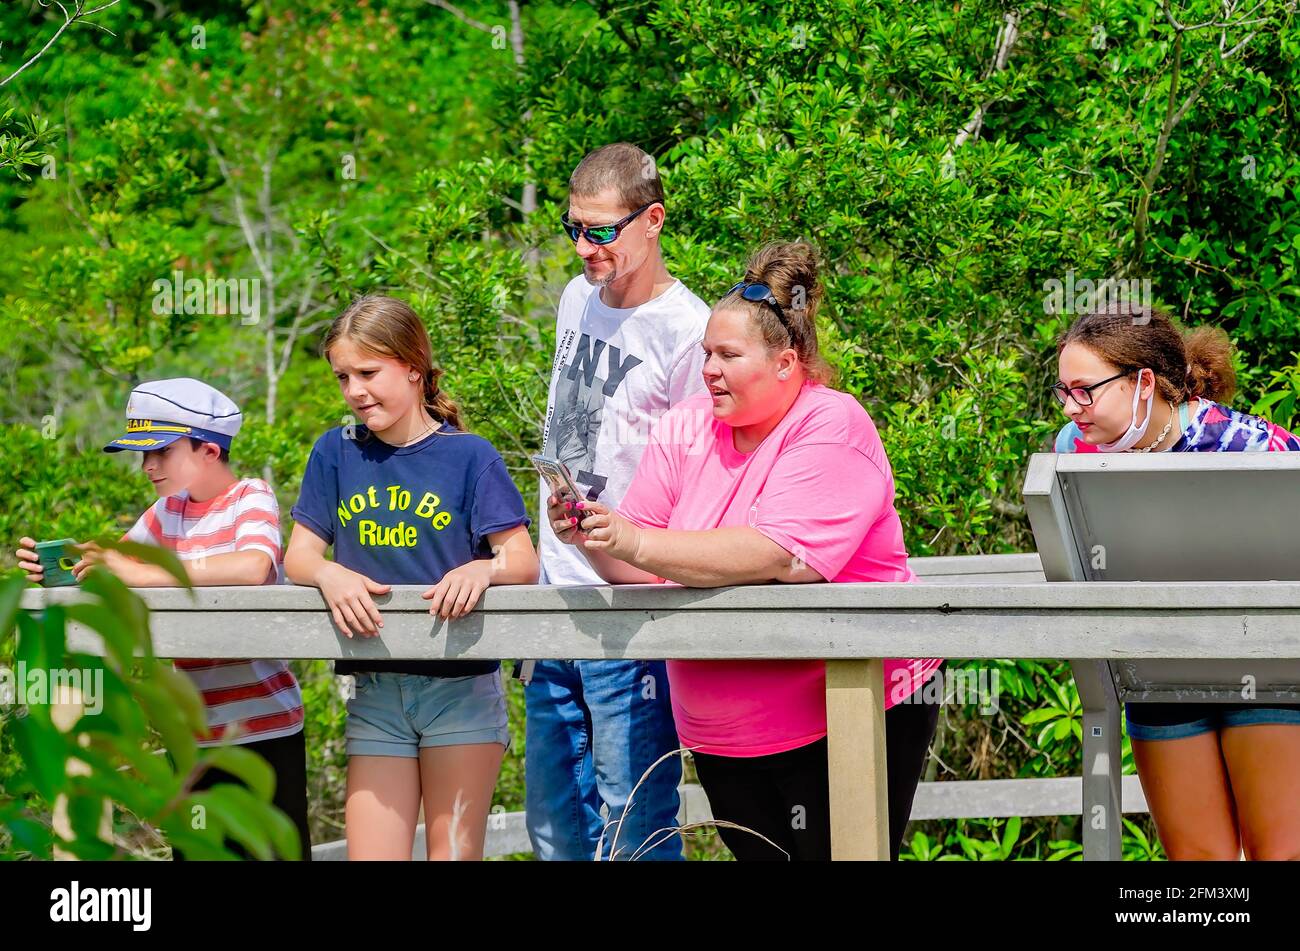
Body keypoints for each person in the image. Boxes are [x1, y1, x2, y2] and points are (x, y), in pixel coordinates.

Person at [548, 241, 943, 860]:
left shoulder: (831, 423)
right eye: (706, 353)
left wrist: (637, 539)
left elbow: (783, 555)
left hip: (843, 709)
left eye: (728, 355)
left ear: (787, 363)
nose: (709, 369)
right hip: (722, 734)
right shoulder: (685, 425)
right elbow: (641, 564)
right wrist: (594, 533)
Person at [284, 295, 537, 860]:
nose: (354, 391)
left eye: (368, 373)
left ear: (413, 368)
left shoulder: (470, 456)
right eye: (342, 376)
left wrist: (482, 568)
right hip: (375, 688)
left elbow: (521, 560)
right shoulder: (335, 452)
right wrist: (330, 575)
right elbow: (297, 556)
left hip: (461, 688)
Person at [16, 377, 310, 861]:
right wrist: (61, 565)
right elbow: (112, 564)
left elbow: (253, 566)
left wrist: (142, 572)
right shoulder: (163, 514)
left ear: (209, 450)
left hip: (264, 730)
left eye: (162, 452)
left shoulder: (249, 498)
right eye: (143, 454)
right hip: (193, 737)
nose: (148, 466)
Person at [1053, 301, 1300, 860]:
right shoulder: (1074, 451)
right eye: (1063, 391)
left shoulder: (1252, 447)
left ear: (1144, 382)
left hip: (1270, 669)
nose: (1073, 408)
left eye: (1086, 390)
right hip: (1159, 671)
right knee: (1199, 866)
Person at [526, 142, 710, 861]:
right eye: (573, 227)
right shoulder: (576, 297)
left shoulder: (689, 330)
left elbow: (699, 487)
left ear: (653, 219)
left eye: (602, 231)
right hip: (555, 594)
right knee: (555, 825)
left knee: (632, 821)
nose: (584, 247)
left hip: (630, 610)